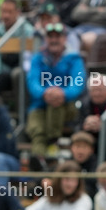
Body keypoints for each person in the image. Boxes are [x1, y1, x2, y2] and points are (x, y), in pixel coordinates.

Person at [25, 23, 85, 158]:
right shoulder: (38, 58)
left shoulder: (74, 58)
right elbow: (32, 82)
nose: (54, 40)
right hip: (40, 104)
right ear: (46, 39)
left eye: (57, 37)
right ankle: (39, 160)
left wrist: (62, 93)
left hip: (67, 106)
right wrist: (45, 93)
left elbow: (78, 83)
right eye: (50, 37)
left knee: (55, 105)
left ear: (65, 39)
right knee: (38, 131)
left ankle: (53, 145)